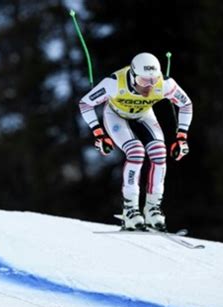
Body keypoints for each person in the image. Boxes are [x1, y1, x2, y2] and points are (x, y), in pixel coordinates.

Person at [78, 52, 193, 231]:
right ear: (132, 75)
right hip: (116, 116)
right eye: (143, 81)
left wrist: (182, 137)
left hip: (143, 115)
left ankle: (153, 208)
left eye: (153, 80)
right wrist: (98, 133)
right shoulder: (115, 83)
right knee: (136, 152)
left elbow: (185, 104)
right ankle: (130, 209)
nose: (148, 87)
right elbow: (85, 103)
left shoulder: (165, 84)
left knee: (159, 153)